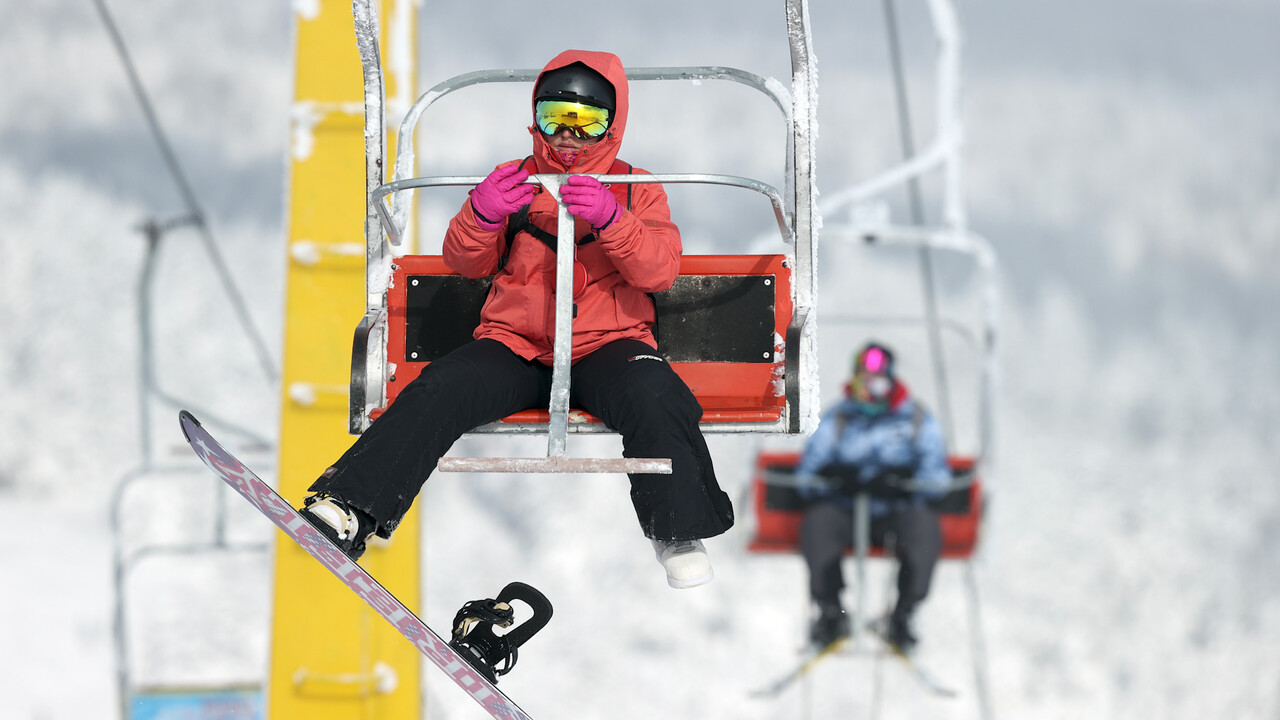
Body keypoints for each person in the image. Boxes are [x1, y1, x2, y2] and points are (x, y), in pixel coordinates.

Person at [297, 49, 734, 589]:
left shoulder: (635, 186)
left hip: (607, 343)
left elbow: (659, 270)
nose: (568, 136)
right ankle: (351, 508)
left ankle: (678, 529)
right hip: (517, 343)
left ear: (612, 126)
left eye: (587, 122)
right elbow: (465, 261)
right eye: (555, 118)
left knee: (655, 393)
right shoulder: (516, 181)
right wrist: (481, 215)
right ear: (536, 118)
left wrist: (612, 220)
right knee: (443, 386)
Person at [795, 342, 951, 651]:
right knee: (819, 524)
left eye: (877, 381)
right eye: (863, 381)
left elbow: (939, 479)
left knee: (923, 529)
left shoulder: (916, 420)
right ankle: (830, 611)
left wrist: (905, 481)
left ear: (890, 381)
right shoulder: (838, 420)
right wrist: (834, 479)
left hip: (896, 510)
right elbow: (805, 476)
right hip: (847, 509)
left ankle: (904, 614)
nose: (870, 389)